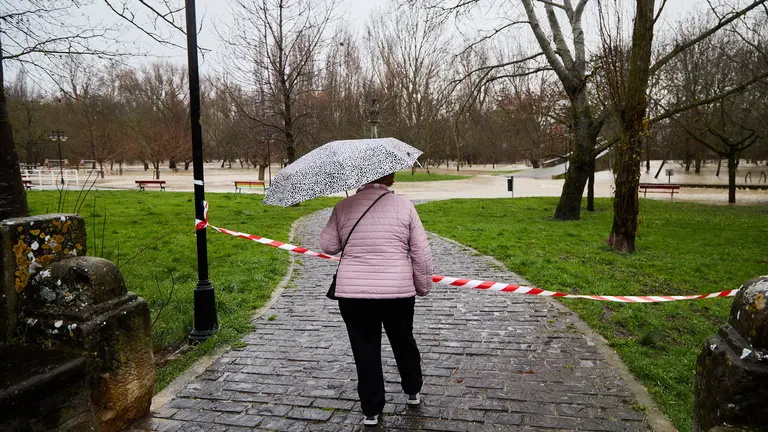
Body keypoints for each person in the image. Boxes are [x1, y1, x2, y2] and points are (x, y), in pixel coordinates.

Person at [320, 172, 433, 427]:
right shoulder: (404, 206)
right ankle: (413, 390)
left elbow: (328, 246)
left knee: (364, 348)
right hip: (397, 292)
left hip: (354, 295)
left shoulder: (343, 206)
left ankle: (371, 410)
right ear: (390, 177)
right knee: (403, 340)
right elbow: (421, 253)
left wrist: (343, 213)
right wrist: (422, 287)